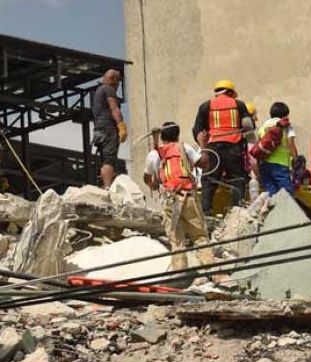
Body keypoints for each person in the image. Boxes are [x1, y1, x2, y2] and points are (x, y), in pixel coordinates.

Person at [143, 122, 215, 275]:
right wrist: (204, 145)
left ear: (162, 137)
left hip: (170, 201)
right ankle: (210, 271)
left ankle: (180, 274)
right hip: (188, 198)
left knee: (176, 239)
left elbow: (147, 177)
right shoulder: (184, 147)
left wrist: (154, 185)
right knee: (200, 235)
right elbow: (204, 164)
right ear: (177, 135)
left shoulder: (153, 154)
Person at [192, 80, 255, 215]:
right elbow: (249, 125)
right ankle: (236, 212)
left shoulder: (206, 106)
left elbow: (196, 130)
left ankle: (207, 212)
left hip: (213, 148)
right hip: (234, 148)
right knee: (238, 179)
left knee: (209, 180)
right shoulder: (238, 104)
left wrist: (204, 147)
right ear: (230, 92)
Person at [92, 69, 127, 189]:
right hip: (108, 129)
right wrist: (121, 125)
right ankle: (107, 187)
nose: (118, 85)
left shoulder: (98, 91)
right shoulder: (108, 89)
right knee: (110, 159)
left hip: (98, 129)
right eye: (118, 81)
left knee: (104, 159)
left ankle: (105, 185)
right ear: (112, 79)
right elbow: (114, 108)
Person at [257, 102, 298, 196]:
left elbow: (260, 147)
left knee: (272, 196)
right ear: (285, 114)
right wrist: (296, 160)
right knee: (287, 196)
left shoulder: (263, 127)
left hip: (265, 166)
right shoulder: (285, 126)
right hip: (280, 165)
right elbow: (290, 143)